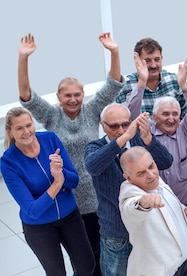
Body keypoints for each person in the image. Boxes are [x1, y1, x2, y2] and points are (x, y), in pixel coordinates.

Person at [17, 32, 122, 276]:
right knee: (82, 259)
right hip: (69, 200)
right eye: (68, 95)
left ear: (83, 95)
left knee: (100, 253)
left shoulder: (93, 110)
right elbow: (26, 96)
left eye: (77, 94)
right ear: (59, 97)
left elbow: (114, 84)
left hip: (98, 195)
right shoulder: (51, 115)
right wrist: (23, 58)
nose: (73, 99)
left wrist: (114, 52)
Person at [1, 107, 95, 276]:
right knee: (56, 273)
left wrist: (61, 172)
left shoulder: (50, 139)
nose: (27, 132)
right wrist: (58, 183)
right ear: (10, 131)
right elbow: (33, 210)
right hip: (39, 227)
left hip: (70, 217)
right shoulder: (8, 162)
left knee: (87, 265)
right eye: (19, 128)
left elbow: (74, 181)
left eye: (29, 125)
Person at [84, 103, 173, 275]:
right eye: (114, 126)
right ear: (103, 126)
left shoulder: (139, 139)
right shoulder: (95, 147)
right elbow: (93, 166)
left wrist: (148, 139)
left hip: (148, 228)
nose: (121, 129)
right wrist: (123, 139)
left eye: (126, 124)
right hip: (118, 235)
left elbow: (165, 162)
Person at [127, 57, 187, 207]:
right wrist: (141, 84)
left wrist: (184, 87)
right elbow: (130, 113)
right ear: (154, 117)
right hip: (158, 206)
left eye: (175, 114)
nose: (171, 118)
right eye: (165, 114)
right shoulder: (147, 129)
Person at [119, 146, 187, 276]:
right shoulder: (129, 194)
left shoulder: (154, 180)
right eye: (141, 173)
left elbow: (167, 204)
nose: (151, 175)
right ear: (128, 178)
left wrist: (185, 210)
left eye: (151, 166)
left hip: (186, 266)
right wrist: (144, 203)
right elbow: (131, 210)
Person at [116, 37, 187, 118]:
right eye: (147, 61)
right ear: (138, 61)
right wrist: (141, 84)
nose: (153, 65)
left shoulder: (174, 80)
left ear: (162, 58)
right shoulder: (126, 87)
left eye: (157, 60)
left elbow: (186, 115)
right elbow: (125, 122)